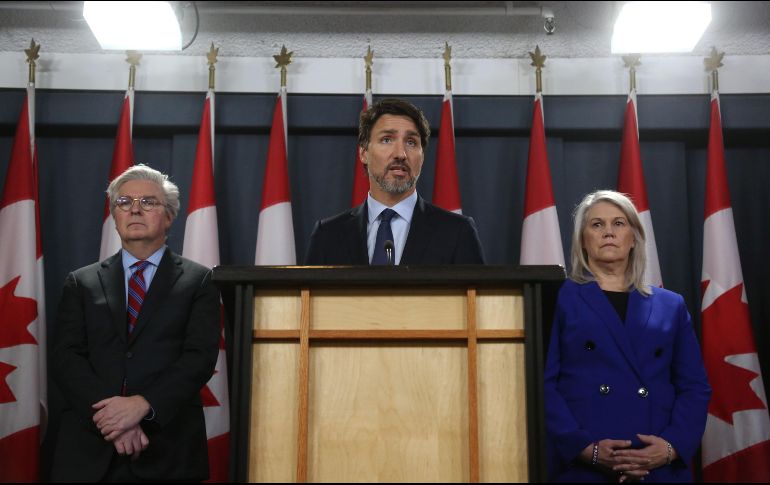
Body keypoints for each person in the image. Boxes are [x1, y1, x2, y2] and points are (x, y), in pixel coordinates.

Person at [50, 164, 220, 482]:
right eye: (124, 202)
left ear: (169, 216)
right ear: (114, 216)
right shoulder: (81, 282)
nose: (135, 209)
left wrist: (144, 405)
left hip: (167, 449)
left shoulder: (199, 281)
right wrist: (114, 421)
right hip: (89, 449)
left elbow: (199, 358)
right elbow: (66, 357)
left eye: (148, 202)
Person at [544, 190, 711, 482]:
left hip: (658, 465)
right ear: (582, 240)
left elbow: (694, 387)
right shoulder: (557, 298)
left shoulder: (671, 305)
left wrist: (670, 447)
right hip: (585, 464)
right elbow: (543, 385)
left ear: (634, 237)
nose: (608, 232)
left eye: (619, 223)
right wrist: (584, 449)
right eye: (597, 224)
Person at [304, 98, 485, 265]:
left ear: (422, 157)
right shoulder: (327, 235)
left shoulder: (458, 232)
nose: (400, 154)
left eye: (411, 142)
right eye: (387, 140)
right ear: (364, 153)